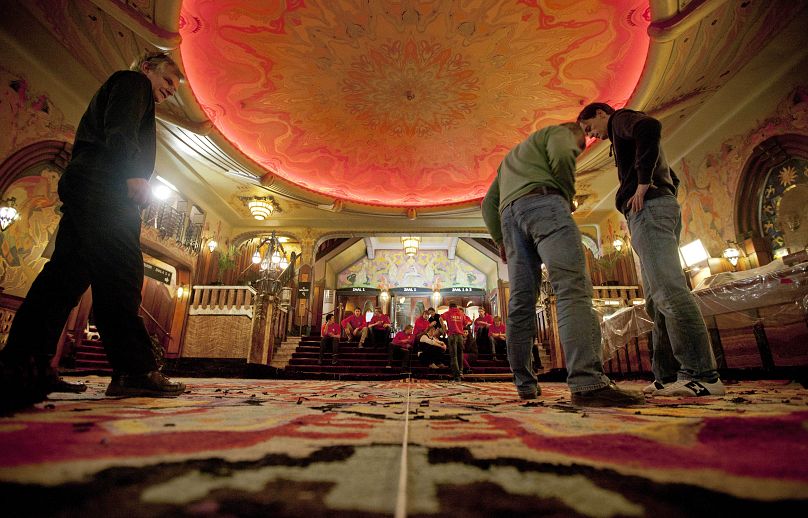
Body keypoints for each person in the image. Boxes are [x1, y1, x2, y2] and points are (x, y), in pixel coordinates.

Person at [0, 51, 187, 413]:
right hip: (106, 185)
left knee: (64, 278)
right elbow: (120, 125)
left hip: (89, 182)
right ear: (148, 68)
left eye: (174, 88)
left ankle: (24, 366)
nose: (169, 91)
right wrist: (131, 172)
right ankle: (133, 371)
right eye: (167, 81)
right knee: (121, 272)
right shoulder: (132, 82)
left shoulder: (127, 88)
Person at [482, 121, 644, 406]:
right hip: (544, 202)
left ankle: (525, 384)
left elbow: (487, 204)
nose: (579, 151)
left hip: (509, 217)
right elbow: (561, 150)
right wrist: (565, 197)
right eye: (581, 146)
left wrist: (500, 240)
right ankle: (587, 383)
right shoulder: (557, 133)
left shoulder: (510, 161)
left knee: (521, 301)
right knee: (572, 288)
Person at [577, 103, 724, 397]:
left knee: (669, 292)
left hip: (651, 209)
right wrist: (662, 189)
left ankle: (703, 375)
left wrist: (645, 184)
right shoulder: (619, 133)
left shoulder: (620, 120)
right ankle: (667, 376)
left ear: (601, 114)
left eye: (589, 127)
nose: (592, 135)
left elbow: (650, 127)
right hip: (655, 208)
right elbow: (670, 174)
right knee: (656, 302)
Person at [439, 302, 467, 382]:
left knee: (453, 356)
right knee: (460, 355)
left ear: (450, 307)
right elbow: (465, 323)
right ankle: (461, 372)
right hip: (460, 336)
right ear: (456, 306)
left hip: (452, 335)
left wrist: (444, 329)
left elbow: (440, 318)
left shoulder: (448, 312)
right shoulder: (461, 313)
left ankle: (456, 376)